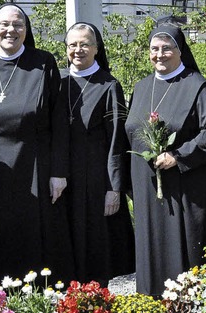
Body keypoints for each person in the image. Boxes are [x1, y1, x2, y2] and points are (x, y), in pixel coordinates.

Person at [0, 3, 75, 284]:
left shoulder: (43, 63)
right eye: (4, 24)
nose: (11, 30)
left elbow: (59, 122)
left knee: (32, 242)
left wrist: (58, 172)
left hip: (32, 166)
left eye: (18, 25)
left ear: (27, 30)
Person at [124, 24, 206, 297]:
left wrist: (178, 156)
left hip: (184, 188)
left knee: (182, 250)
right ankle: (149, 301)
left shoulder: (197, 85)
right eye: (154, 49)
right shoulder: (142, 86)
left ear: (180, 51)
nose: (160, 54)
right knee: (150, 248)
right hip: (148, 189)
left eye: (167, 48)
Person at [61, 22, 135, 285]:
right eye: (73, 45)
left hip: (96, 182)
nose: (78, 50)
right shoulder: (57, 81)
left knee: (98, 246)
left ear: (96, 48)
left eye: (85, 44)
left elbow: (117, 140)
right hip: (63, 180)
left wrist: (114, 188)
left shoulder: (108, 85)